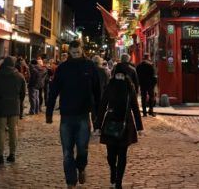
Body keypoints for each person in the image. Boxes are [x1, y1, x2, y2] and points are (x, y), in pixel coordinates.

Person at [46, 40, 101, 189]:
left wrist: (98, 115)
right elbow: (54, 90)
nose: (75, 54)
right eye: (73, 52)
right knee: (67, 151)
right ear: (69, 52)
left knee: (83, 148)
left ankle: (81, 167)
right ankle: (71, 181)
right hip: (66, 116)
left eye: (78, 52)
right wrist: (49, 112)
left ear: (82, 50)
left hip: (83, 114)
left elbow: (97, 92)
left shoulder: (90, 67)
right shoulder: (63, 68)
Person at [95, 63, 143, 189]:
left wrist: (140, 127)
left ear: (125, 76)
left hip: (126, 124)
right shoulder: (110, 87)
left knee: (122, 154)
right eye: (118, 75)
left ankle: (118, 181)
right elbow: (102, 106)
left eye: (122, 75)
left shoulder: (129, 88)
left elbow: (135, 108)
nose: (120, 77)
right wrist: (98, 126)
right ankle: (113, 170)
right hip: (110, 122)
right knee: (111, 156)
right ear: (114, 75)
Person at [0, 56, 26, 164]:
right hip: (14, 105)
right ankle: (12, 154)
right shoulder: (19, 76)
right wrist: (19, 102)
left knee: (0, 131)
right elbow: (23, 92)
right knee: (13, 129)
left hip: (0, 105)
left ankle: (0, 156)